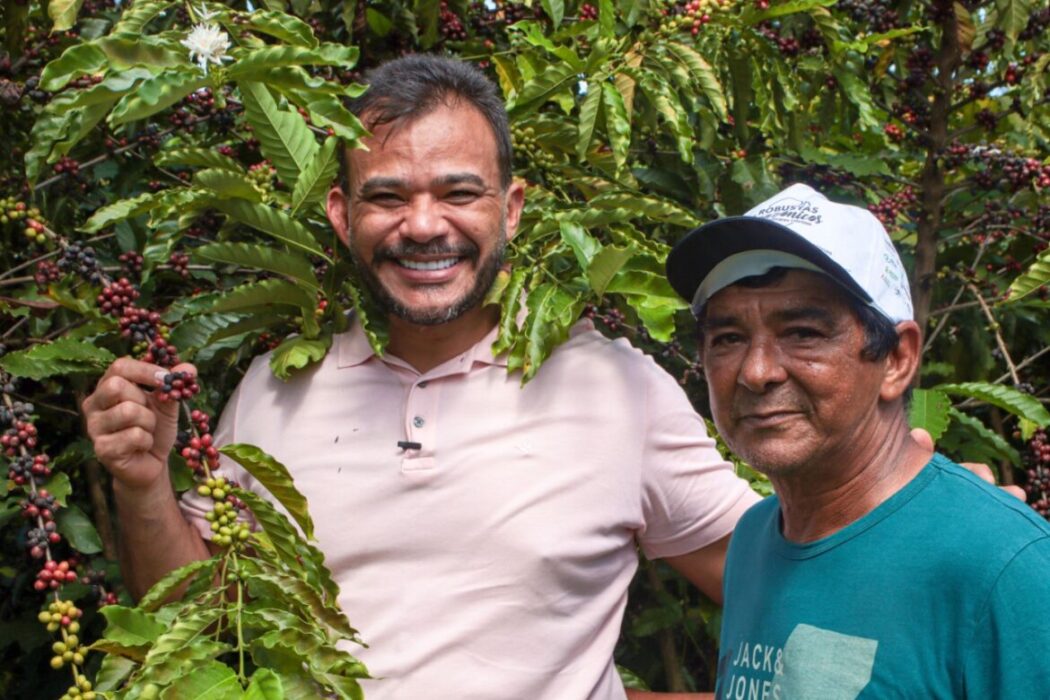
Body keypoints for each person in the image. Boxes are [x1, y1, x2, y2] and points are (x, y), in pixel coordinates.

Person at [81, 55, 760, 699]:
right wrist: (143, 485)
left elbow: (771, 580)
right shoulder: (273, 390)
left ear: (511, 209)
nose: (425, 225)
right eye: (387, 197)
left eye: (459, 192)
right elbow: (193, 621)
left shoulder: (618, 388)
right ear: (343, 215)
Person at [665, 183, 1050, 698]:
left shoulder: (1004, 566)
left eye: (803, 333)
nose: (755, 372)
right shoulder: (755, 540)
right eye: (728, 339)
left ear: (897, 359)